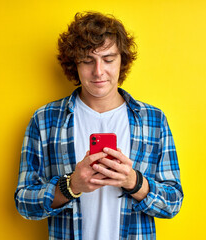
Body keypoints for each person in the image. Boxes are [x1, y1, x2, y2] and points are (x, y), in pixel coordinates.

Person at [14, 11, 183, 240]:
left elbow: (173, 202)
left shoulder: (153, 120)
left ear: (122, 60)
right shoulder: (45, 120)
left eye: (108, 59)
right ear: (74, 63)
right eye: (87, 61)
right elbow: (24, 203)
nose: (98, 71)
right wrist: (71, 185)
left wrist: (133, 182)